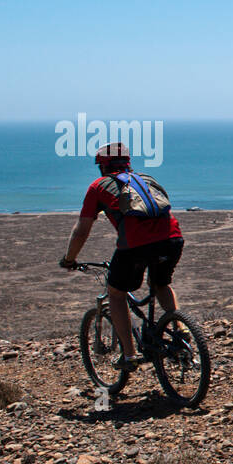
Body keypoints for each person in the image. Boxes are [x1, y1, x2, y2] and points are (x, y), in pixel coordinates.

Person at [59, 143, 184, 369]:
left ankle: (129, 355)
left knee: (116, 293)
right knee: (161, 284)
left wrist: (69, 259)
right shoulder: (147, 179)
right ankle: (181, 334)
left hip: (135, 247)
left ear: (102, 167)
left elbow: (81, 230)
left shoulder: (98, 187)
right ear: (128, 163)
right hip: (173, 239)